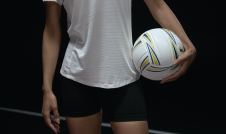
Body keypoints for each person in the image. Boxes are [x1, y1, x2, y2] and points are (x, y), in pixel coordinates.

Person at [41, 0, 196, 134]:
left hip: (124, 74)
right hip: (78, 75)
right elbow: (51, 31)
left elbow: (157, 4)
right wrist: (47, 89)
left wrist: (187, 44)